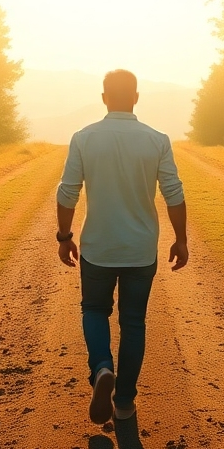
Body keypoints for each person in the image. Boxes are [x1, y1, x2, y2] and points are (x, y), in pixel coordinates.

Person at [55, 69, 188, 424]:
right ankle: (125, 403)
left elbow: (68, 191)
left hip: (97, 248)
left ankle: (101, 368)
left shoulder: (84, 138)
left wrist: (64, 237)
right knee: (134, 323)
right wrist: (181, 239)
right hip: (140, 251)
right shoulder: (156, 140)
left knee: (94, 310)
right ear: (136, 97)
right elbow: (173, 192)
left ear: (103, 98)